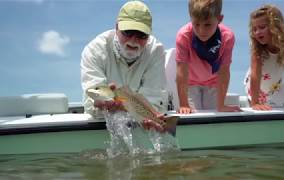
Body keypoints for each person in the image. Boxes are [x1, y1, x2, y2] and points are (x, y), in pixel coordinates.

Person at [80, 1, 167, 131]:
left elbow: (153, 96)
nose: (133, 40)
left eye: (141, 35)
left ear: (149, 35)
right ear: (116, 28)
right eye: (127, 32)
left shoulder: (156, 51)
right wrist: (100, 105)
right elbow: (92, 95)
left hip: (142, 124)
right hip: (102, 124)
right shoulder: (94, 50)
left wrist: (146, 116)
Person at [175, 0, 242, 114]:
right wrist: (184, 104)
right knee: (191, 115)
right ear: (191, 18)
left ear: (219, 19)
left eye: (207, 24)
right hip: (190, 83)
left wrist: (221, 105)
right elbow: (182, 71)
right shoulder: (183, 35)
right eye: (196, 24)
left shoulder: (227, 37)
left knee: (215, 116)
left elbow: (224, 71)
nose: (201, 31)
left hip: (214, 83)